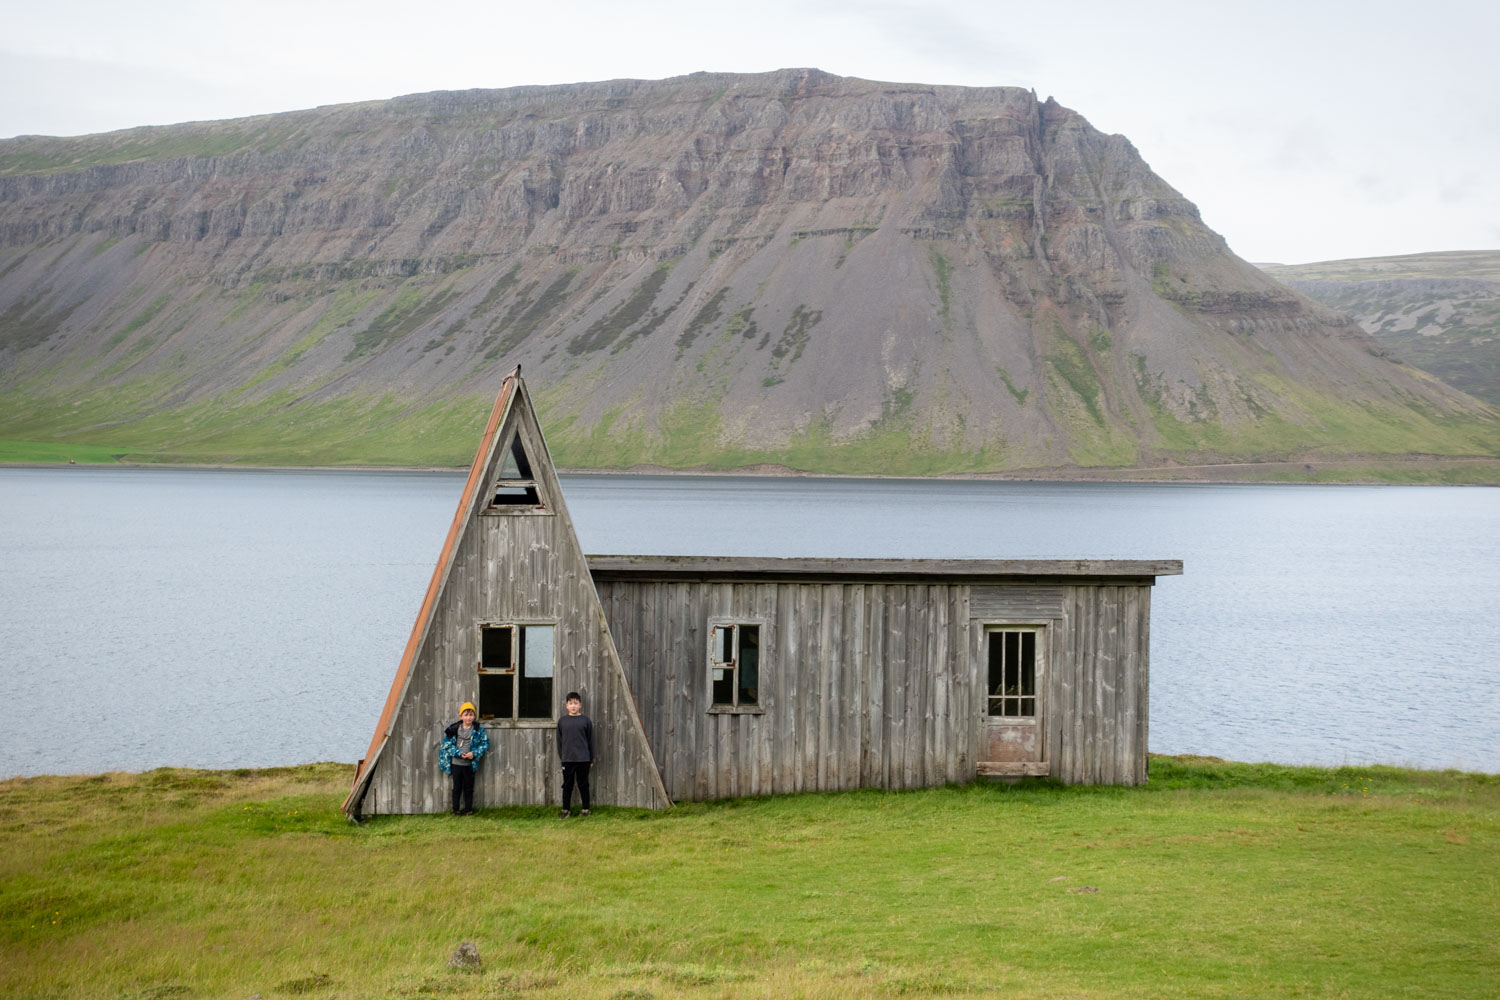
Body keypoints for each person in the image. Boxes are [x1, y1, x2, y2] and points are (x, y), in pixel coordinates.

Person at [439, 702, 489, 815]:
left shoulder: (478, 730)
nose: (468, 717)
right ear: (461, 716)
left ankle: (468, 810)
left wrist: (474, 753)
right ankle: (455, 810)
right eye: (466, 715)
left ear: (474, 716)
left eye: (471, 714)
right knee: (457, 788)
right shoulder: (454, 729)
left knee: (469, 788)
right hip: (456, 764)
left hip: (469, 765)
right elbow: (447, 745)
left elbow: (485, 743)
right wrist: (458, 753)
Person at [557, 691, 594, 817]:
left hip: (583, 759)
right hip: (567, 759)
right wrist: (562, 757)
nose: (573, 706)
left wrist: (591, 759)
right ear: (566, 705)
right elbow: (559, 741)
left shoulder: (586, 721)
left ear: (580, 705)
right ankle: (565, 810)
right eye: (570, 703)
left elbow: (590, 741)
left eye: (575, 703)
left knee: (583, 785)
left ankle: (585, 809)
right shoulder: (562, 721)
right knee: (567, 785)